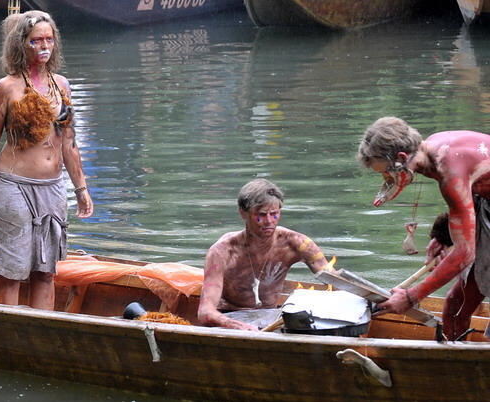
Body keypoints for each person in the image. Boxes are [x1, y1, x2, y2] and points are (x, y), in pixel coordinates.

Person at [0, 11, 93, 310]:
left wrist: (80, 188)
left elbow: (68, 141)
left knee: (45, 270)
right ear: (21, 44)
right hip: (14, 186)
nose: (44, 46)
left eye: (49, 39)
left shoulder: (62, 86)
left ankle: (43, 329)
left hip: (52, 189)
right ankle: (6, 330)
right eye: (36, 40)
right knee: (11, 270)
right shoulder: (6, 87)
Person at [358, 117, 490, 340]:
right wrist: (444, 235)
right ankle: (454, 365)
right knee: (454, 307)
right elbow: (468, 198)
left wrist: (410, 297)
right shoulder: (431, 148)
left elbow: (464, 253)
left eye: (387, 172)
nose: (386, 178)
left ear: (401, 158)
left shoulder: (449, 169)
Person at [197, 179, 330, 330]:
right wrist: (239, 326)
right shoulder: (222, 251)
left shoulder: (296, 243)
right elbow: (205, 312)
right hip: (231, 317)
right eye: (261, 215)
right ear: (243, 213)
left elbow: (333, 279)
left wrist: (359, 293)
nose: (268, 221)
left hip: (272, 319)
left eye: (274, 214)